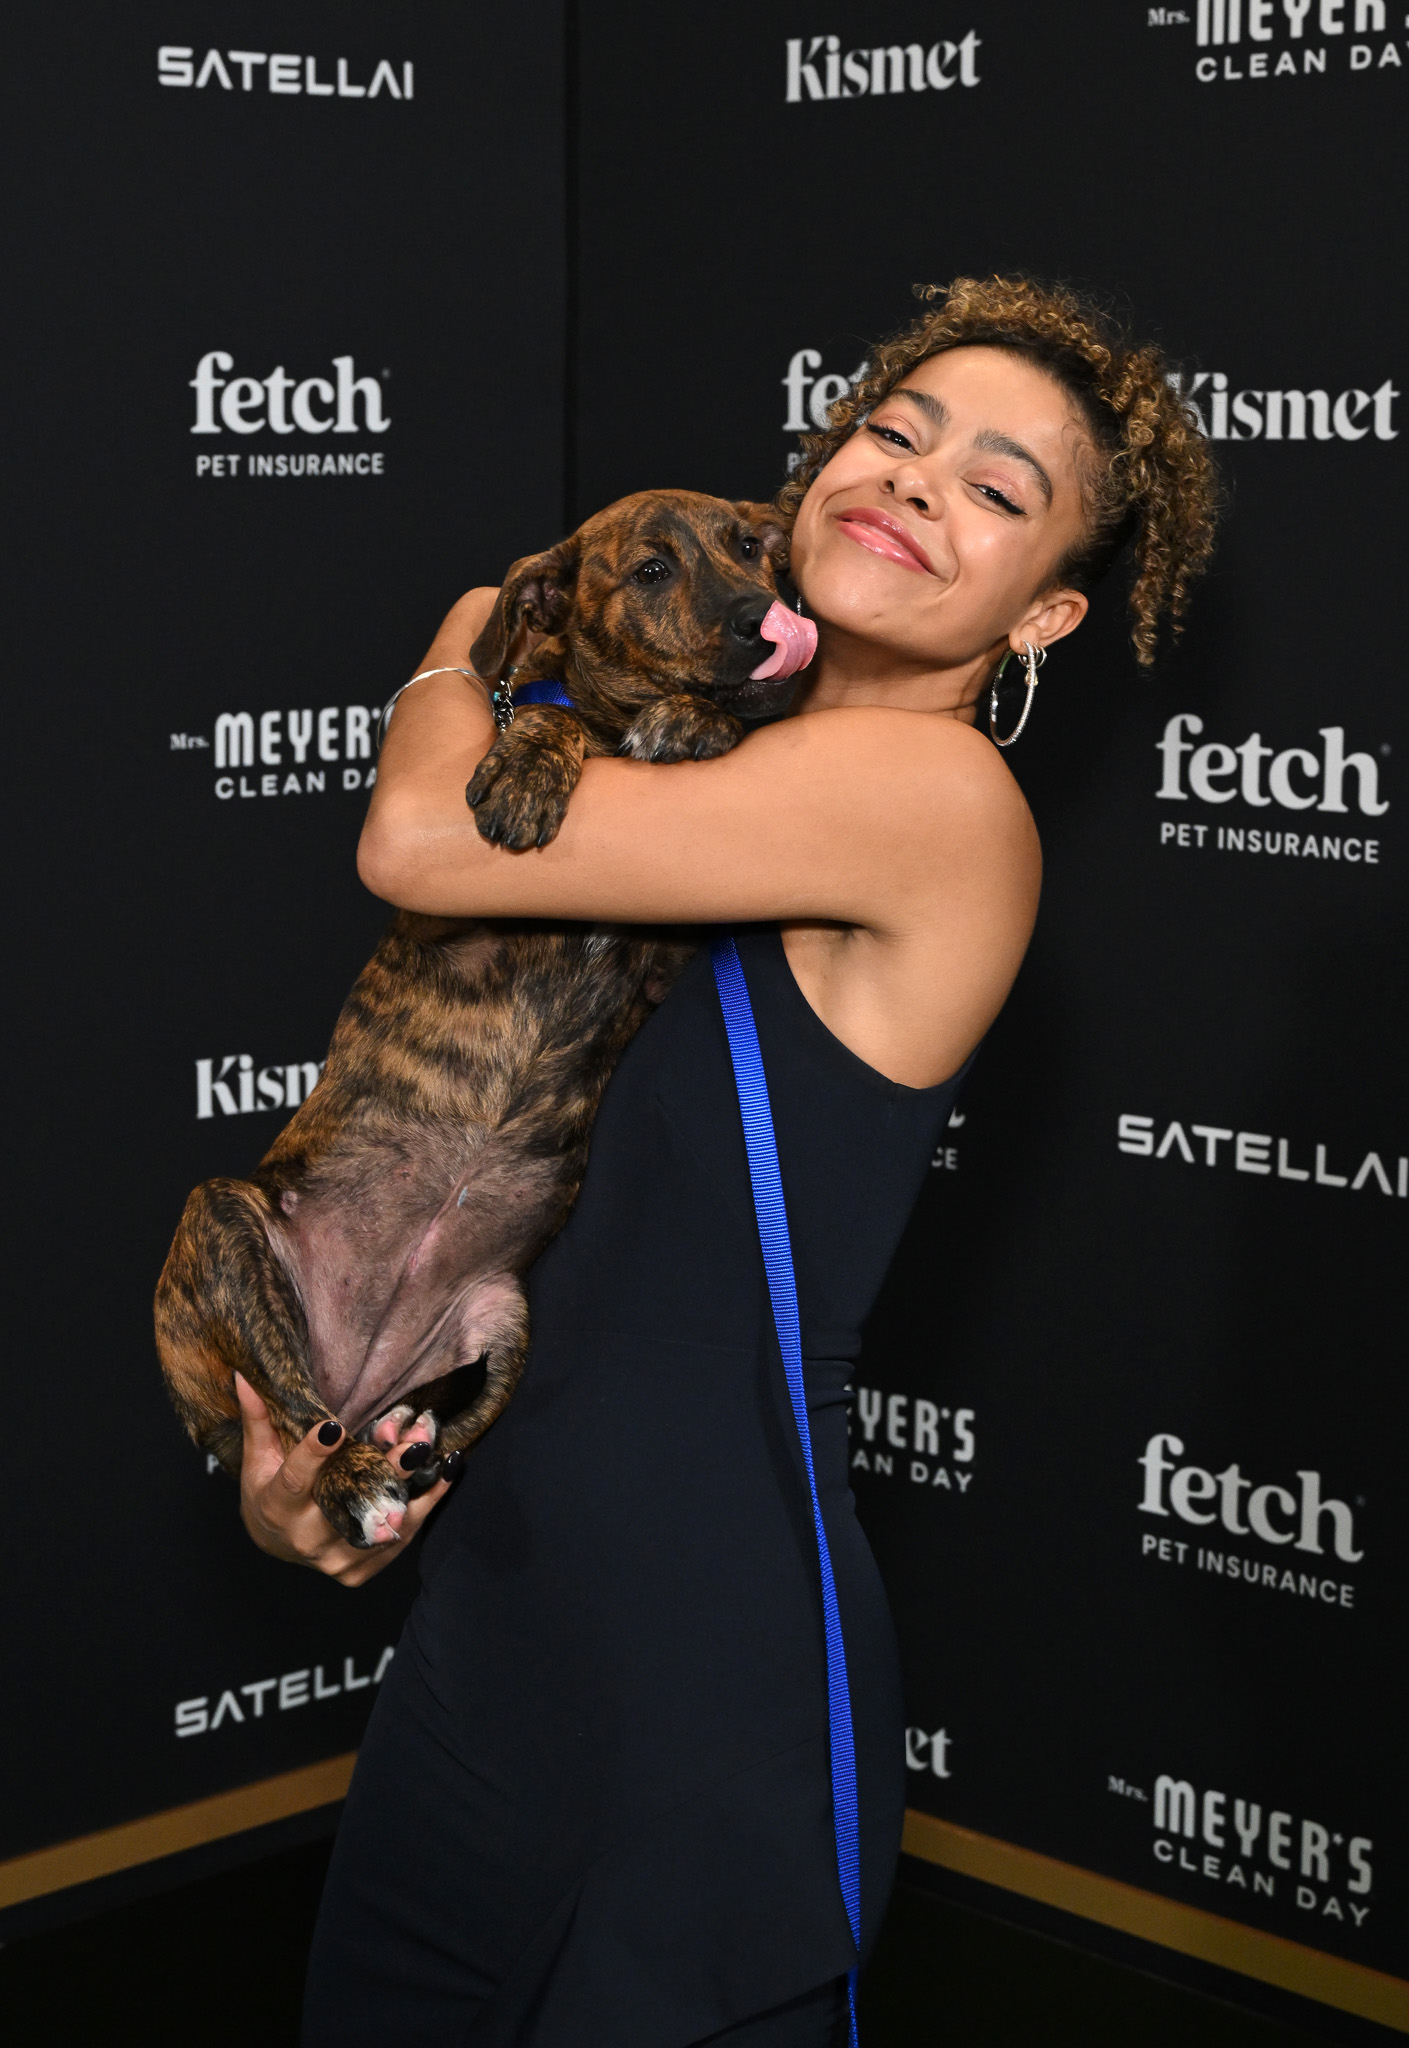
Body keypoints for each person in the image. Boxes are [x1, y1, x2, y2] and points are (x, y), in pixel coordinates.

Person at [235, 277, 1218, 2047]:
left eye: (997, 491)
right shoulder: (698, 776)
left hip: (707, 1669)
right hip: (490, 1633)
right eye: (894, 435)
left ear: (1050, 609)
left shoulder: (927, 800)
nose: (916, 484)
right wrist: (323, 1462)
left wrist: (464, 634)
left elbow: (415, 836)